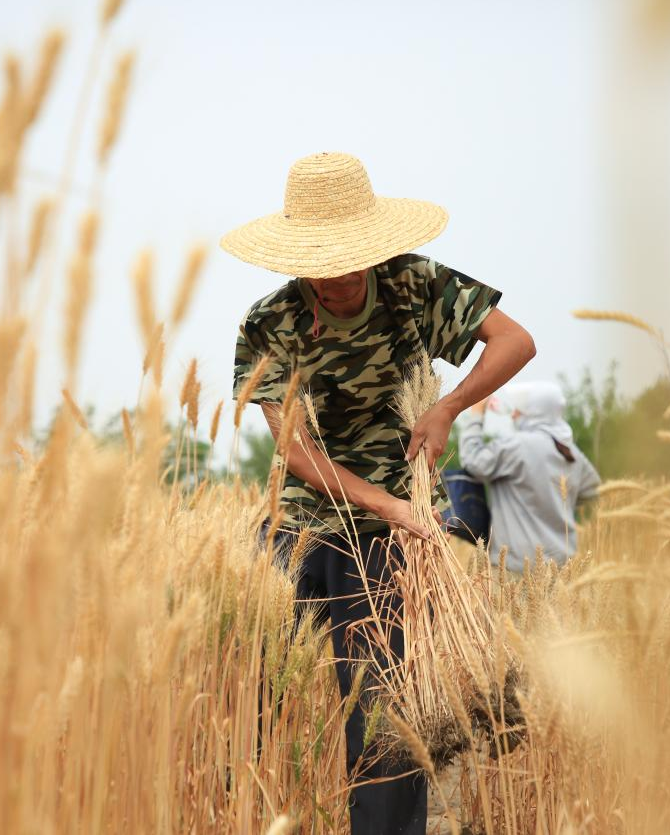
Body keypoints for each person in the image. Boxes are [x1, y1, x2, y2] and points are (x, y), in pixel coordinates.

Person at [223, 152, 535, 835]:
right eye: (324, 261)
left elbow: (514, 341)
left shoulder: (412, 282)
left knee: (386, 721)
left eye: (353, 257)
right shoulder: (269, 322)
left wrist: (449, 406)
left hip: (390, 543)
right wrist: (382, 502)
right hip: (303, 525)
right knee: (243, 701)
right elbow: (292, 449)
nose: (340, 275)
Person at [458, 381, 600, 575]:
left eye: (521, 409)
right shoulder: (572, 453)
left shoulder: (517, 446)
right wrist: (560, 503)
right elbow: (594, 491)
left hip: (516, 569)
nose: (514, 414)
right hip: (563, 569)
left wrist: (476, 415)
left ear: (536, 412)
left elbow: (472, 460)